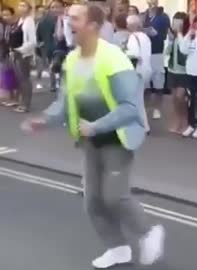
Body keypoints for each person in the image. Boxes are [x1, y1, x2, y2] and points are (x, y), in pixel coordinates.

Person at [21, 4, 164, 268]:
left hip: (117, 139)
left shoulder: (114, 58)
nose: (68, 21)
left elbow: (130, 108)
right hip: (89, 141)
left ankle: (148, 232)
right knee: (92, 202)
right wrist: (44, 120)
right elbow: (64, 103)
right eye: (68, 17)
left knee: (114, 197)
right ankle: (118, 248)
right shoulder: (72, 60)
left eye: (75, 18)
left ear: (94, 26)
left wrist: (97, 126)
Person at [125, 14, 152, 134]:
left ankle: (141, 126)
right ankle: (143, 125)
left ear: (131, 26)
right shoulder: (146, 37)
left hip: (137, 71)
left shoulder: (132, 37)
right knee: (138, 99)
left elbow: (134, 54)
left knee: (135, 100)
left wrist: (124, 52)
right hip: (147, 69)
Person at [143, 0, 170, 120]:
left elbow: (164, 35)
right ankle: (146, 108)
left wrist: (154, 33)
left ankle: (157, 108)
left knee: (158, 81)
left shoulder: (163, 17)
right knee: (145, 83)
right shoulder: (143, 15)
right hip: (144, 53)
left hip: (157, 51)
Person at [165, 11, 189, 134]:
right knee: (174, 98)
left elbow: (185, 51)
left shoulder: (187, 37)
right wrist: (169, 40)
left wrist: (179, 33)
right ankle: (177, 120)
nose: (176, 25)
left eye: (179, 22)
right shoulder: (172, 36)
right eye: (175, 21)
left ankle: (185, 121)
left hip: (183, 72)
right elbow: (167, 52)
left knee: (181, 97)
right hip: (172, 70)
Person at [11, 0, 36, 113]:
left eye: (24, 5)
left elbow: (32, 41)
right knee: (20, 79)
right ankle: (22, 102)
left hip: (24, 54)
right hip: (15, 53)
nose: (21, 8)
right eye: (20, 5)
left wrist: (20, 50)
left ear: (29, 8)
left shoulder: (29, 21)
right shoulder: (20, 20)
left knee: (25, 79)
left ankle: (26, 104)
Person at [35, 3, 56, 89]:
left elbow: (38, 34)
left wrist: (39, 42)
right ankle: (52, 84)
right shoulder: (52, 20)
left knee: (44, 64)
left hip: (44, 46)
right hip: (49, 45)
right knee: (50, 65)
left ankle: (43, 82)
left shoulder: (41, 21)